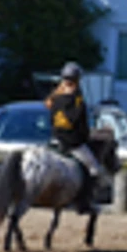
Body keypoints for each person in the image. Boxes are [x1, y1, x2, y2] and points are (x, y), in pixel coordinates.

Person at [47, 62, 104, 213]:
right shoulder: (78, 100)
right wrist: (85, 138)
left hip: (55, 140)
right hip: (72, 144)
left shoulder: (54, 98)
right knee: (94, 168)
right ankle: (85, 201)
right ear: (78, 80)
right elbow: (81, 125)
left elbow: (51, 120)